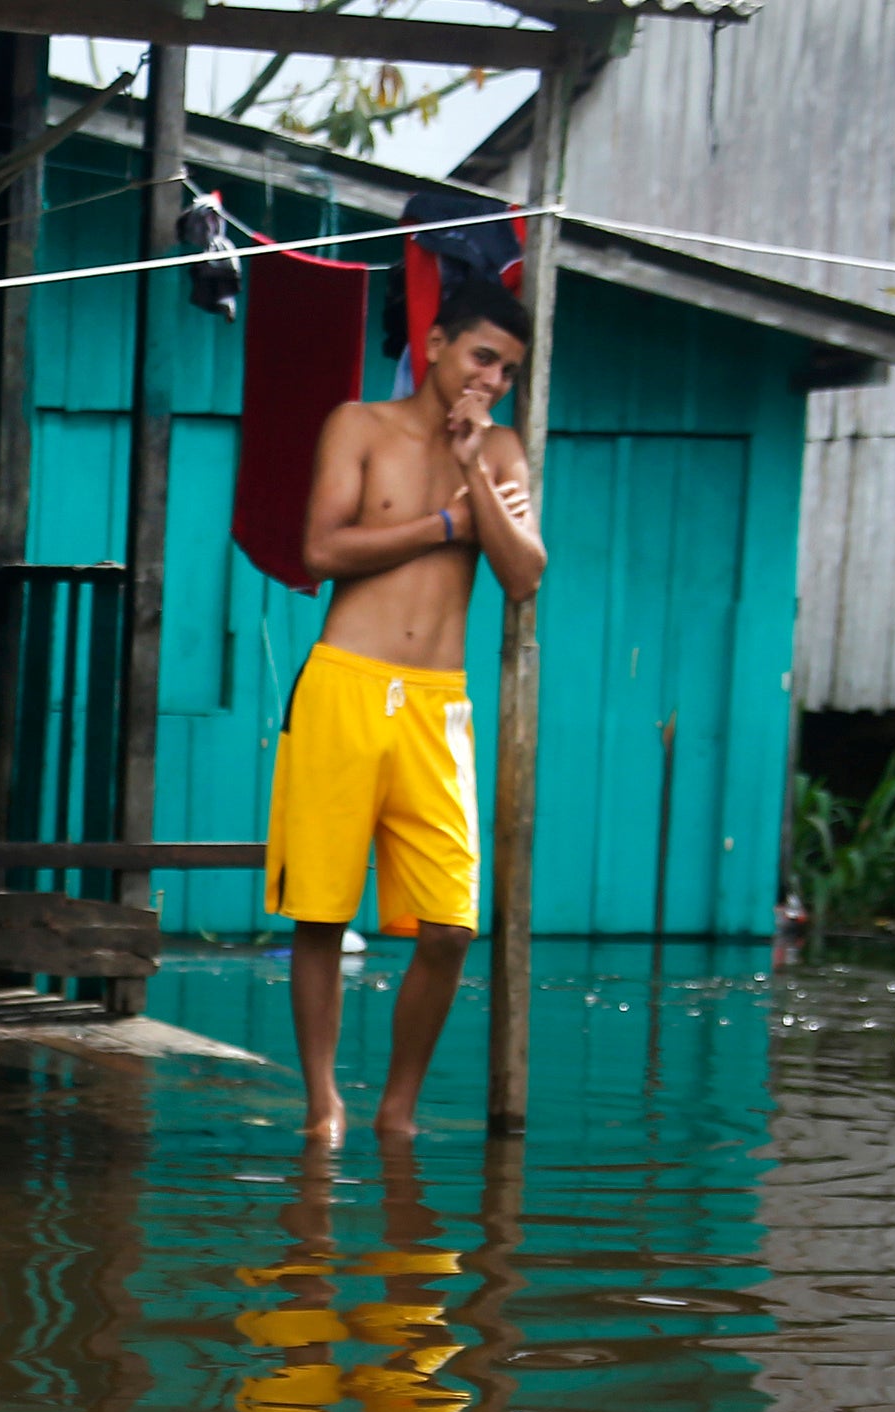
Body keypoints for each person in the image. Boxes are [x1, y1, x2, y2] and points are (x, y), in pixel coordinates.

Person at [276, 262, 548, 1144]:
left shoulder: (500, 452)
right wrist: (441, 524)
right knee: (320, 909)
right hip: (343, 686)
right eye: (479, 356)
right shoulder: (360, 425)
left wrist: (473, 473)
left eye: (505, 369)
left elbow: (523, 573)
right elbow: (321, 548)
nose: (489, 379)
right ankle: (323, 1104)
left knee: (450, 926)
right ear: (433, 344)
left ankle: (399, 1107)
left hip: (438, 706)